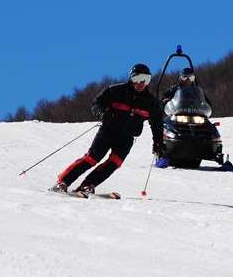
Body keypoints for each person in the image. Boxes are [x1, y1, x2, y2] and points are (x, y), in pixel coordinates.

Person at [50, 63, 165, 195]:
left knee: (114, 163)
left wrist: (158, 142)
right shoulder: (115, 91)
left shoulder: (151, 103)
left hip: (127, 138)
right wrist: (102, 114)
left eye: (146, 79)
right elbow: (96, 104)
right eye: (137, 79)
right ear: (131, 78)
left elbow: (157, 123)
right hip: (108, 131)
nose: (141, 83)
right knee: (92, 158)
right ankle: (63, 182)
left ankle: (87, 185)